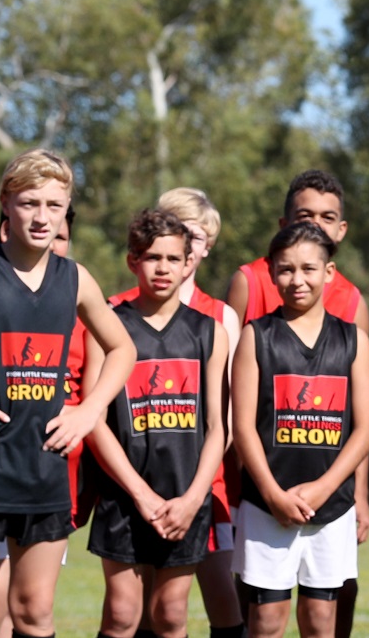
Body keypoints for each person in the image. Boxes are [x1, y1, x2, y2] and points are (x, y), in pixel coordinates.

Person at [0, 148, 136, 638]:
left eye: (54, 205)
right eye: (29, 203)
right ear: (5, 203)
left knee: (34, 613)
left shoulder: (76, 278)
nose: (42, 217)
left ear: (67, 208)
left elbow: (121, 348)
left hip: (43, 468)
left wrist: (89, 411)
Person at [226, 170, 369, 635]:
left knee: (321, 618)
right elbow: (244, 426)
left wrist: (326, 488)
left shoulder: (353, 340)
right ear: (271, 272)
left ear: (329, 272)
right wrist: (271, 493)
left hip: (331, 503)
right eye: (286, 269)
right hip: (268, 501)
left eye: (309, 269)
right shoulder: (256, 336)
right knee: (266, 619)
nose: (297, 279)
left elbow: (364, 429)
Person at [109, 188, 246, 638]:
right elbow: (95, 414)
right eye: (152, 256)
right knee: (125, 612)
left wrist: (192, 496)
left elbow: (219, 424)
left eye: (176, 255)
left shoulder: (213, 325)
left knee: (176, 611)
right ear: (134, 259)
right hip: (128, 490)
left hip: (193, 485)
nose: (164, 266)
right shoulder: (112, 318)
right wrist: (141, 494)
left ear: (193, 257)